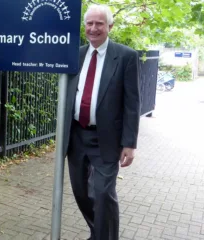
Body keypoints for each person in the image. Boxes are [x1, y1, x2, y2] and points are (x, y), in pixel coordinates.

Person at [62, 4, 140, 240]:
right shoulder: (75, 55)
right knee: (81, 192)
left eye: (99, 24)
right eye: (89, 23)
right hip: (76, 136)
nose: (93, 28)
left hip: (106, 138)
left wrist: (129, 143)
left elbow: (132, 103)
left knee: (104, 193)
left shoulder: (126, 56)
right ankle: (98, 232)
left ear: (109, 27)